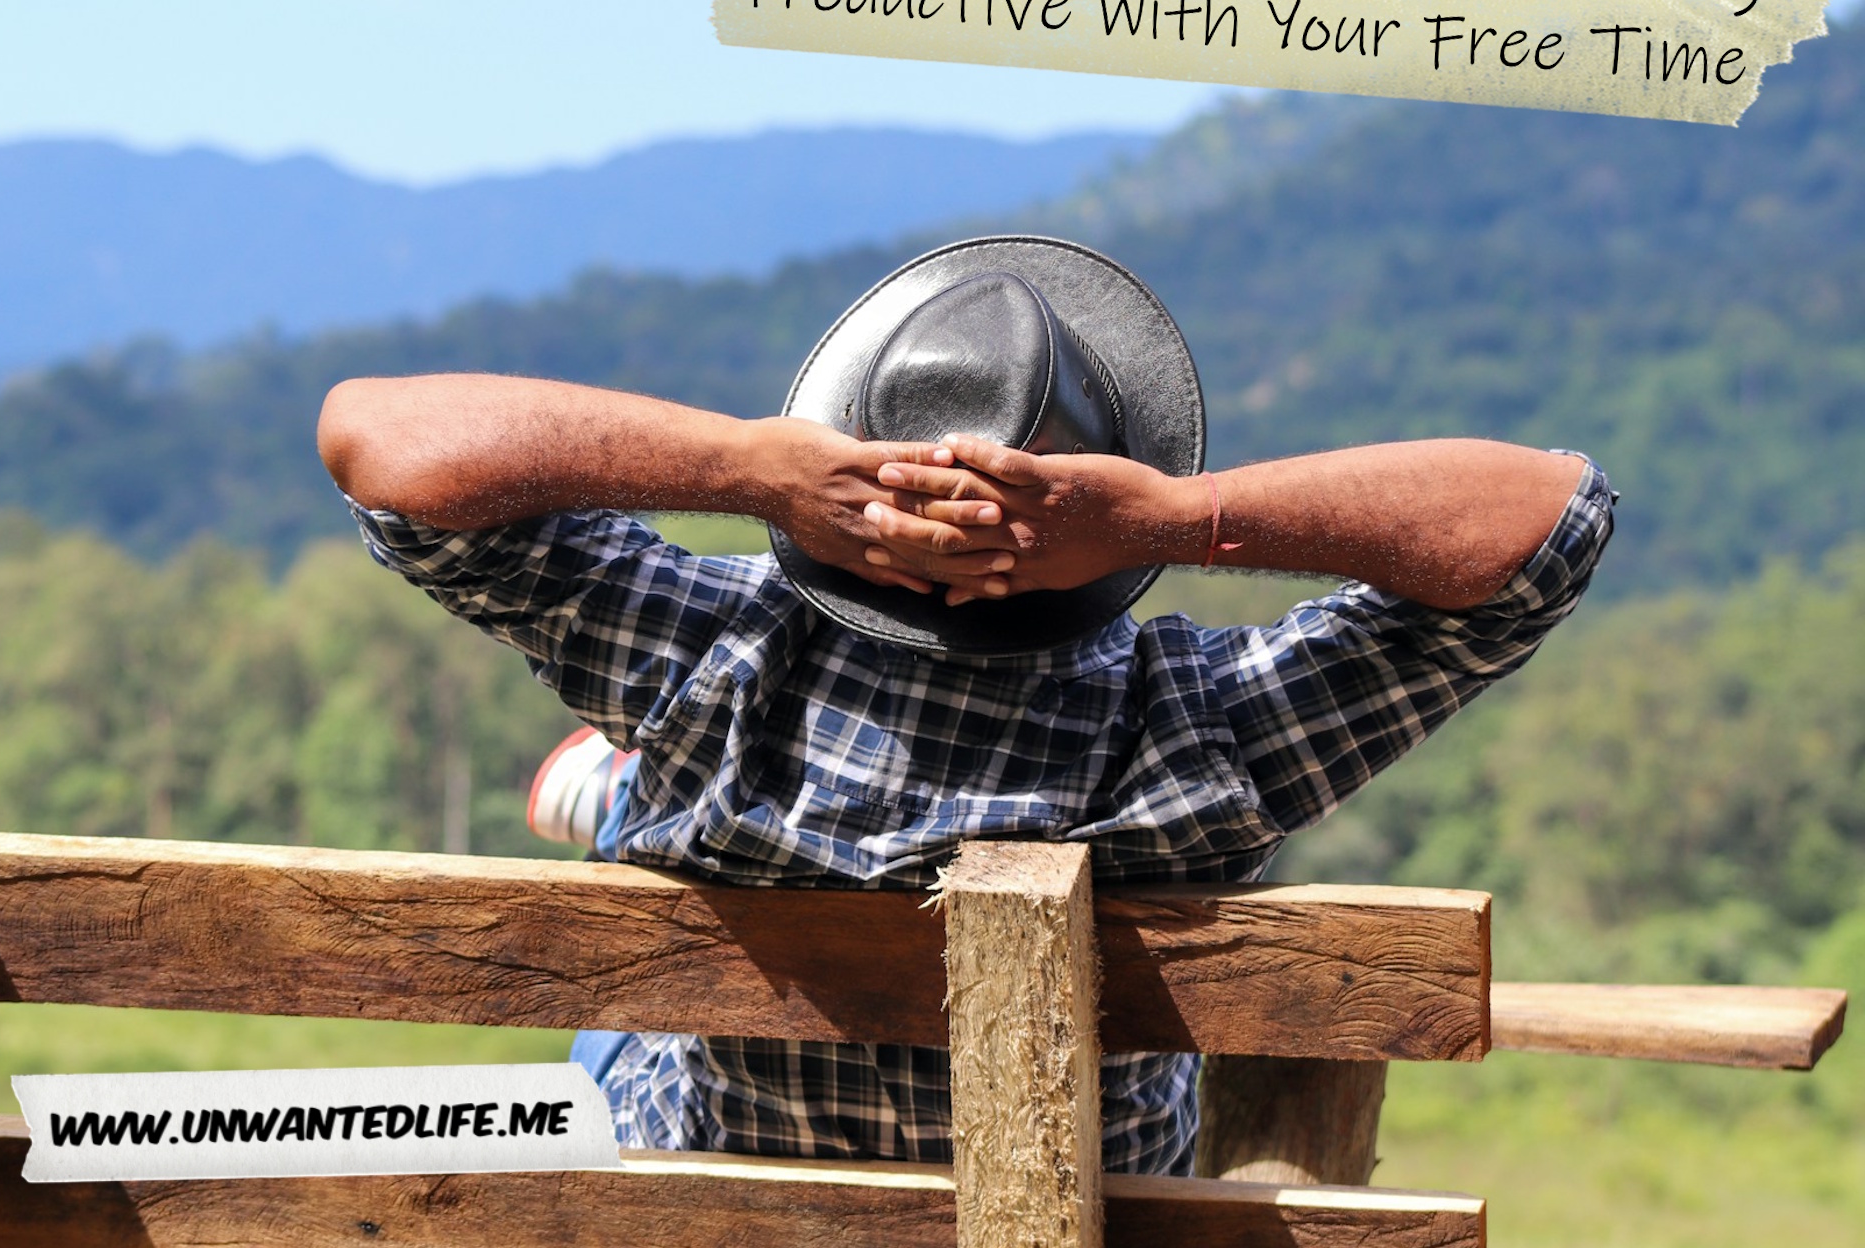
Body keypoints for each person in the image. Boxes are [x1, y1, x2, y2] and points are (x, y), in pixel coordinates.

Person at [317, 236, 1612, 1174]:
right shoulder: (1192, 738)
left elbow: (379, 446)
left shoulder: (705, 656)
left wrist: (750, 469)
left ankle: (627, 800)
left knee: (627, 997)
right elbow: (1552, 523)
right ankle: (633, 801)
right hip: (1063, 1201)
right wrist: (1170, 521)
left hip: (706, 1170)